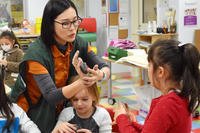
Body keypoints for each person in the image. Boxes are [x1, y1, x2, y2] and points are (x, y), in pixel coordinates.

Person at [10, 0, 110, 132]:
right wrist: (84, 81)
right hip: (33, 109)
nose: (73, 27)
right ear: (50, 24)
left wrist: (100, 75)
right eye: (65, 23)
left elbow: (104, 66)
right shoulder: (36, 53)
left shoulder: (78, 42)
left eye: (75, 21)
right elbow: (51, 96)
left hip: (60, 106)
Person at [114, 39, 200, 133]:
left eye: (149, 65)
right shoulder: (180, 97)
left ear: (160, 72)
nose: (148, 69)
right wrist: (130, 123)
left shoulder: (168, 104)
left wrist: (121, 118)